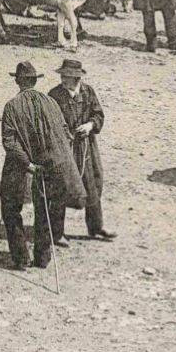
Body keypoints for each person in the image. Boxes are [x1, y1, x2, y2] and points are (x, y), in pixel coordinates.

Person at [0, 61, 86, 270]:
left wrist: (28, 163)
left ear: (18, 81)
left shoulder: (12, 105)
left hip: (24, 166)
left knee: (11, 208)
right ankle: (42, 258)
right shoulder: (51, 102)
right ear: (34, 81)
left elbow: (9, 142)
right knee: (46, 209)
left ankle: (21, 258)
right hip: (53, 164)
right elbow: (66, 133)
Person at [49, 58, 114, 241]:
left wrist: (90, 125)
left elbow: (98, 114)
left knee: (93, 183)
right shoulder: (54, 95)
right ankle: (56, 233)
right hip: (65, 148)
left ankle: (96, 227)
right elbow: (49, 121)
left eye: (67, 76)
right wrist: (64, 134)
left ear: (77, 78)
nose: (63, 79)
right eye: (62, 75)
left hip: (87, 147)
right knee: (62, 185)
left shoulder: (88, 92)